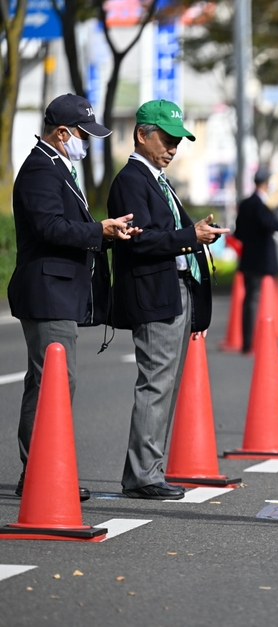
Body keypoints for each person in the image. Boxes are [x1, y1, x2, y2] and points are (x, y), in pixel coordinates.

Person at [8, 94, 138, 500]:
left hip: (57, 290)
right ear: (62, 133)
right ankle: (40, 472)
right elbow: (50, 227)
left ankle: (40, 470)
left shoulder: (56, 166)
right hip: (47, 290)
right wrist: (99, 230)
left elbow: (67, 227)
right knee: (53, 383)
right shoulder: (40, 169)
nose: (88, 143)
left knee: (50, 382)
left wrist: (108, 233)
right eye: (84, 135)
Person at [108, 99, 228, 500]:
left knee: (165, 383)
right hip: (154, 291)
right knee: (156, 383)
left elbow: (165, 233)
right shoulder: (131, 180)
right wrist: (191, 236)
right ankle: (143, 475)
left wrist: (194, 234)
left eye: (178, 141)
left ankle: (149, 470)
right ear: (142, 134)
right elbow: (138, 240)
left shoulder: (157, 179)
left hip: (174, 289)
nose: (174, 148)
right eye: (168, 139)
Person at [233, 167, 278, 353]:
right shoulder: (261, 204)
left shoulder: (245, 204)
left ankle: (247, 341)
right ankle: (261, 340)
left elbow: (238, 232)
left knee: (249, 299)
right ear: (267, 183)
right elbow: (271, 223)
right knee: (262, 299)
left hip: (247, 258)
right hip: (262, 259)